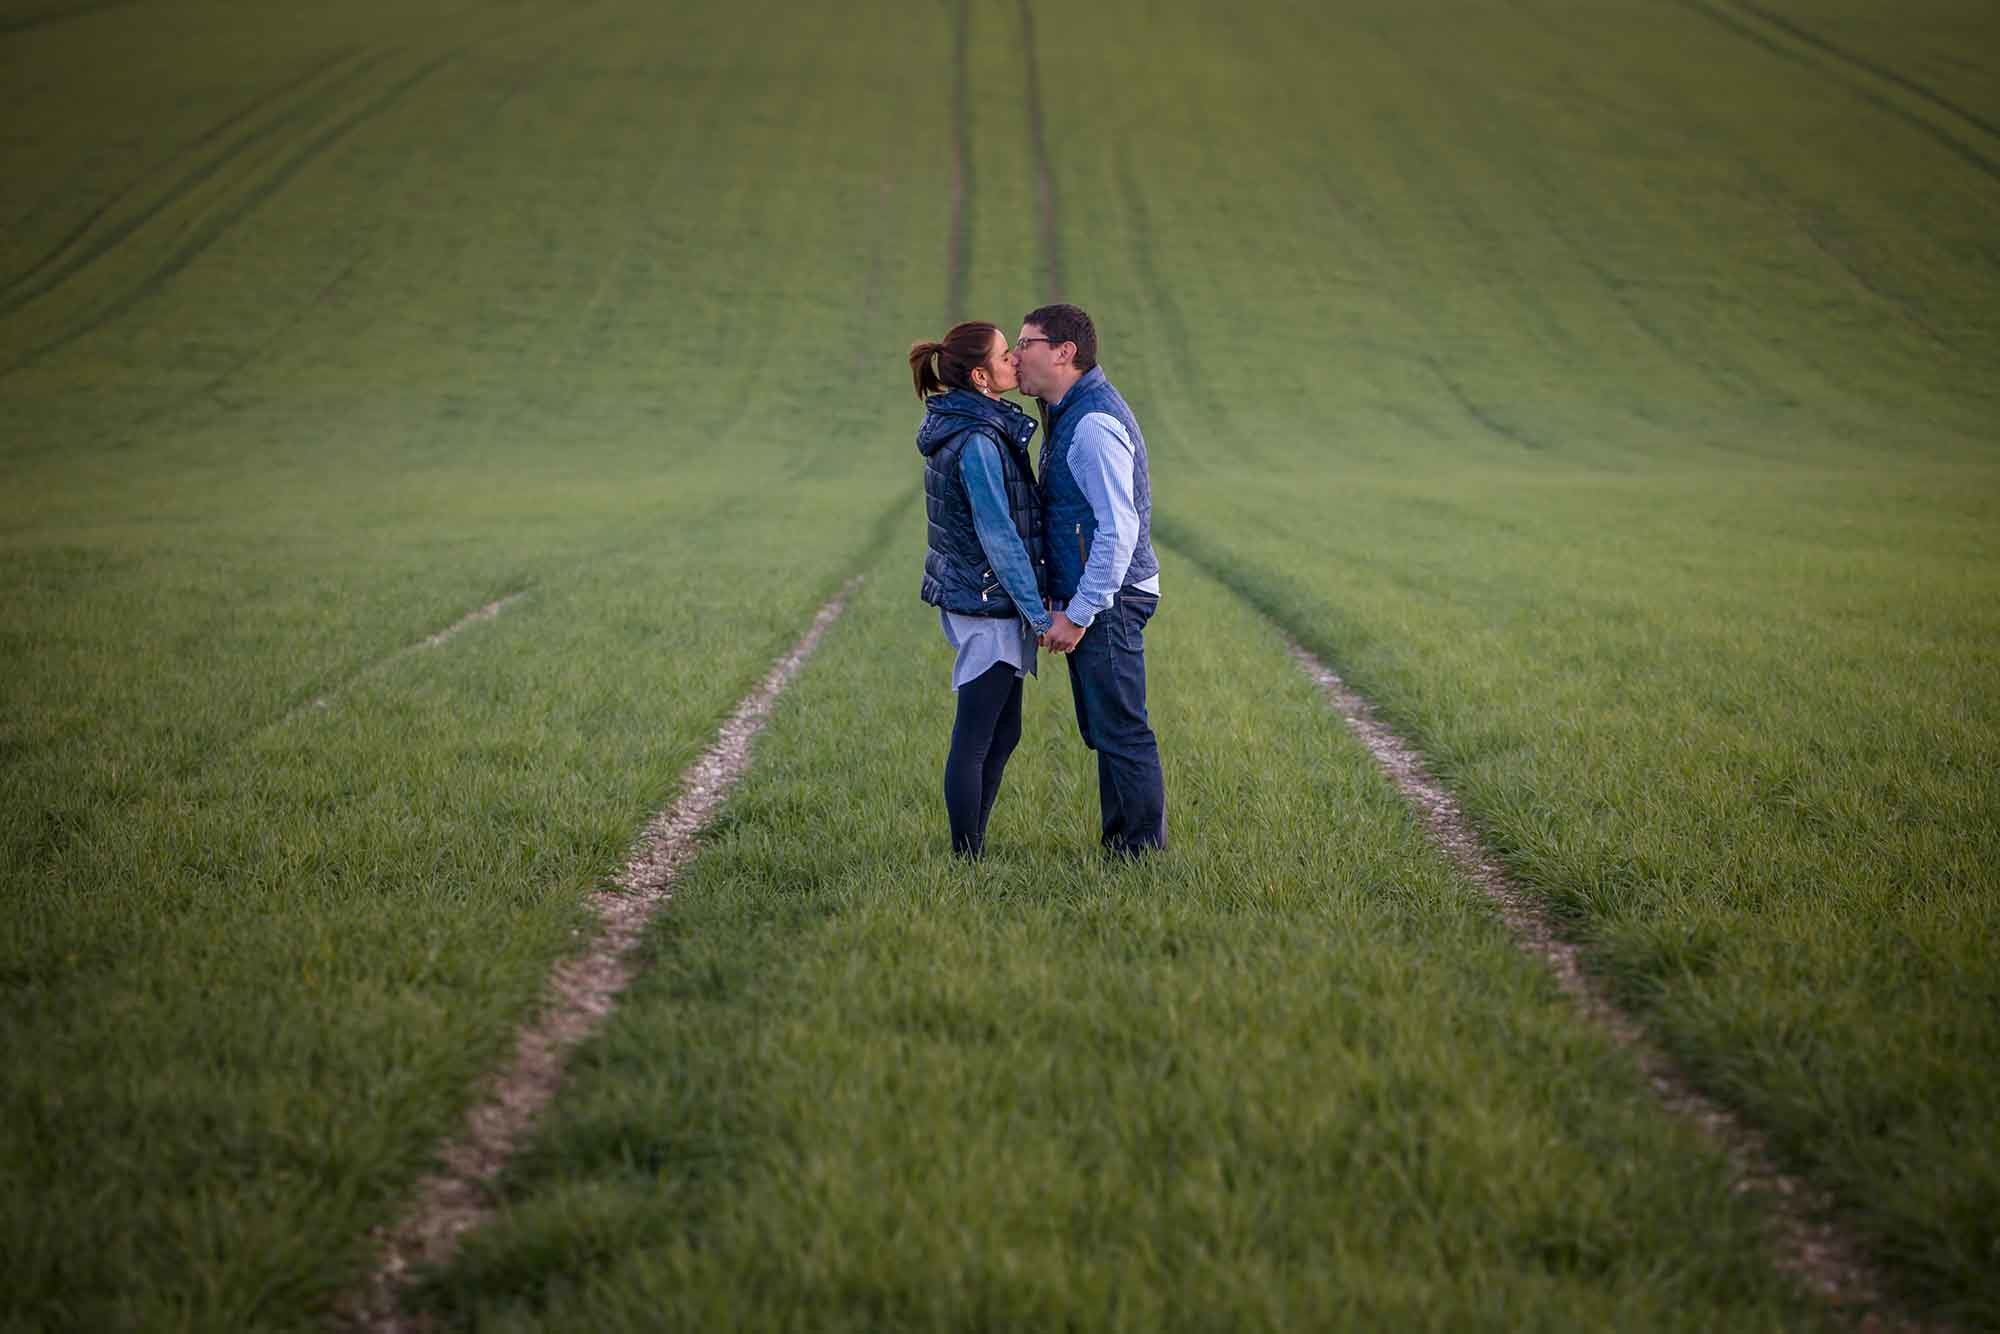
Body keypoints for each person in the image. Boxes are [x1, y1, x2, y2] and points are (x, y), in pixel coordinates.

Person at [1013, 303, 1166, 855]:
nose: (1014, 354)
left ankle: (1142, 854)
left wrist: (1079, 612)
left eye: (1026, 343)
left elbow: (1117, 531)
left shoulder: (1094, 422)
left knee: (1121, 727)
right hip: (1101, 595)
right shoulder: (1068, 412)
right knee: (1107, 728)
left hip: (1111, 597)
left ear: (1063, 352)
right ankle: (1121, 846)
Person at [910, 321, 1053, 859]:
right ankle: (967, 856)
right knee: (976, 736)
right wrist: (1039, 618)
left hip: (986, 598)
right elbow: (999, 535)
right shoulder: (975, 440)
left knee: (1004, 729)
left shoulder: (978, 427)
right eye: (1003, 355)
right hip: (988, 601)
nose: (1015, 359)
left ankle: (973, 846)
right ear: (981, 376)